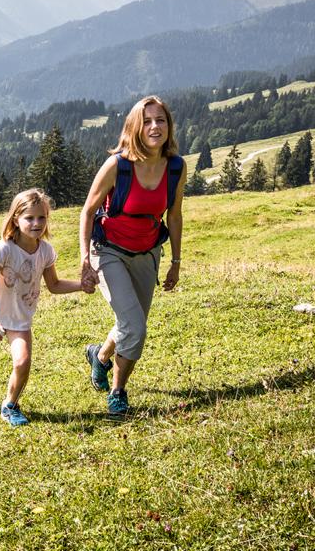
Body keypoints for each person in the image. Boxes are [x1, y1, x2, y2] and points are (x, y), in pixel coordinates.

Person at [78, 96, 186, 416]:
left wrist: (176, 262)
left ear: (169, 126)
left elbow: (175, 215)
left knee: (129, 322)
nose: (155, 127)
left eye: (161, 120)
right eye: (148, 121)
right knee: (135, 325)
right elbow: (87, 211)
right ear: (134, 127)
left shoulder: (176, 167)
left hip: (147, 253)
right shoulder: (118, 165)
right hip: (109, 251)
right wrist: (85, 258)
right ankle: (118, 391)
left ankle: (99, 357)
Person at [0, 188, 94, 426]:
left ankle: (10, 405)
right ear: (16, 219)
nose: (36, 223)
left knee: (22, 362)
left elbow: (53, 285)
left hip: (20, 317)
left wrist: (80, 286)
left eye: (41, 217)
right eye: (29, 218)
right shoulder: (4, 248)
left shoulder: (46, 251)